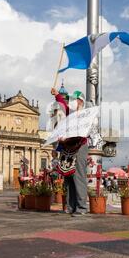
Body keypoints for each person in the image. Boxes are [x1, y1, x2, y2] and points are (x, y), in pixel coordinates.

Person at [51, 87, 89, 217]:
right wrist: (57, 95)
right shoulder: (71, 115)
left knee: (78, 177)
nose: (70, 102)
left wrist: (65, 140)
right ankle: (70, 206)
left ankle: (81, 207)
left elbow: (80, 135)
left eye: (73, 100)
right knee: (68, 177)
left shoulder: (85, 116)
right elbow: (63, 104)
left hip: (79, 147)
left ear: (79, 102)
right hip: (68, 148)